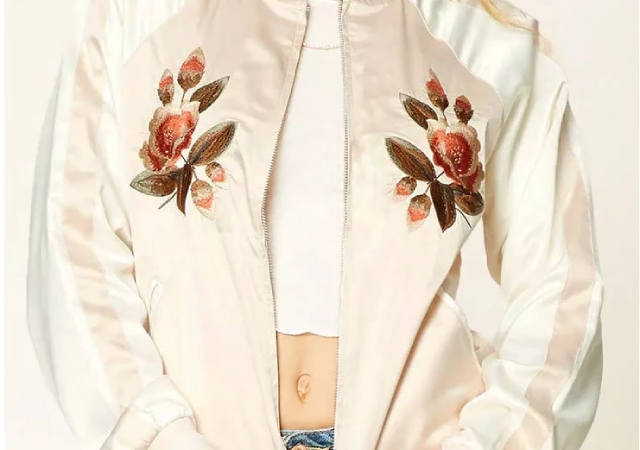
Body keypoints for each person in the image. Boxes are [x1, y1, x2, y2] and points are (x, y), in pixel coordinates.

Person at [26, 0, 604, 449]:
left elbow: (564, 295)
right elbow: (74, 254)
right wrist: (160, 439)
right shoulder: (138, 17)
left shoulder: (485, 41)